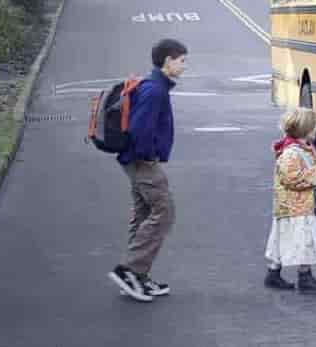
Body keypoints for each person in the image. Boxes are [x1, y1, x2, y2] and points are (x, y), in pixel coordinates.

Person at [107, 38, 187, 302]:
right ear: (168, 61)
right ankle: (129, 269)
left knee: (143, 214)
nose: (184, 66)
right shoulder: (155, 90)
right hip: (142, 162)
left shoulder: (154, 86)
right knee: (164, 212)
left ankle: (137, 277)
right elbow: (140, 129)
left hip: (135, 160)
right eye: (181, 60)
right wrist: (148, 156)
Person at [264, 107, 316, 292]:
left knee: (282, 238)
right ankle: (305, 276)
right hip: (296, 206)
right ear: (305, 130)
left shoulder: (304, 148)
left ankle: (273, 273)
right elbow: (293, 178)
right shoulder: (292, 153)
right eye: (314, 126)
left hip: (291, 206)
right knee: (304, 240)